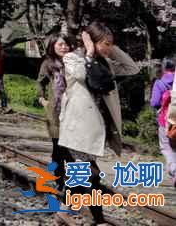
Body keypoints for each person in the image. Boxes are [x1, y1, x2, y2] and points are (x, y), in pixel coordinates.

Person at [59, 22, 139, 226]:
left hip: (94, 130)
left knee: (84, 172)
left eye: (111, 43)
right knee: (90, 173)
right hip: (78, 128)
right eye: (106, 43)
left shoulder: (106, 63)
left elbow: (132, 68)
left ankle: (63, 212)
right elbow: (80, 75)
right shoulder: (72, 58)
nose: (108, 47)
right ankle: (96, 218)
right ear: (91, 41)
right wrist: (90, 51)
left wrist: (112, 48)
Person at [36, 33, 76, 182]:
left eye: (66, 44)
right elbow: (40, 82)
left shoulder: (74, 62)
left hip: (73, 109)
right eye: (60, 44)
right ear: (53, 46)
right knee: (58, 146)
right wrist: (42, 99)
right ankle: (59, 176)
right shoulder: (48, 64)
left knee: (70, 148)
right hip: (55, 110)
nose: (64, 47)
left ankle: (70, 180)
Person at [151, 58, 176, 185]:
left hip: (166, 121)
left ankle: (174, 171)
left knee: (167, 147)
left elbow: (154, 102)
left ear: (163, 68)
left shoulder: (159, 83)